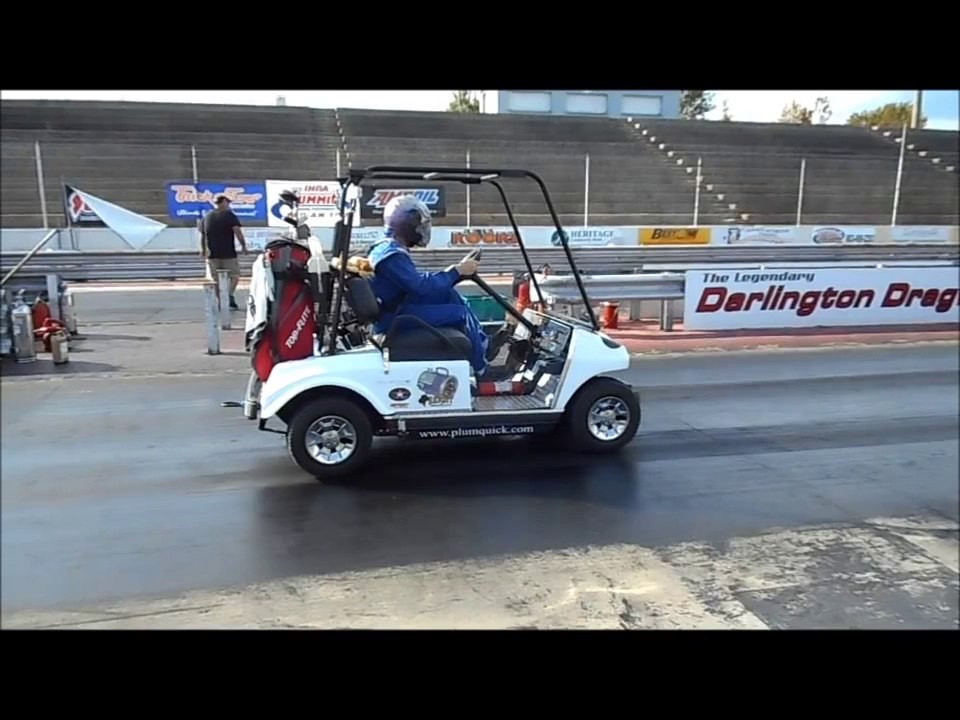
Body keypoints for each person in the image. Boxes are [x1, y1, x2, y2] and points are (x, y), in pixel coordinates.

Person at [367, 195, 503, 375]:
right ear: (407, 223)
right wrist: (455, 271)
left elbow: (417, 283)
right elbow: (420, 287)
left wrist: (454, 273)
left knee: (449, 295)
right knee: (459, 314)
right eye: (419, 223)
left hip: (401, 308)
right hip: (396, 317)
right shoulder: (390, 254)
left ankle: (484, 345)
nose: (422, 228)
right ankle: (481, 369)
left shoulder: (390, 249)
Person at [200, 194, 248, 310]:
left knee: (215, 279)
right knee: (234, 276)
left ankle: (222, 300)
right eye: (227, 202)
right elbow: (237, 231)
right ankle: (228, 295)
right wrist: (243, 246)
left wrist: (203, 249)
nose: (228, 205)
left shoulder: (207, 216)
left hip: (212, 253)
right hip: (228, 253)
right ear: (223, 202)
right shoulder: (229, 215)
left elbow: (203, 235)